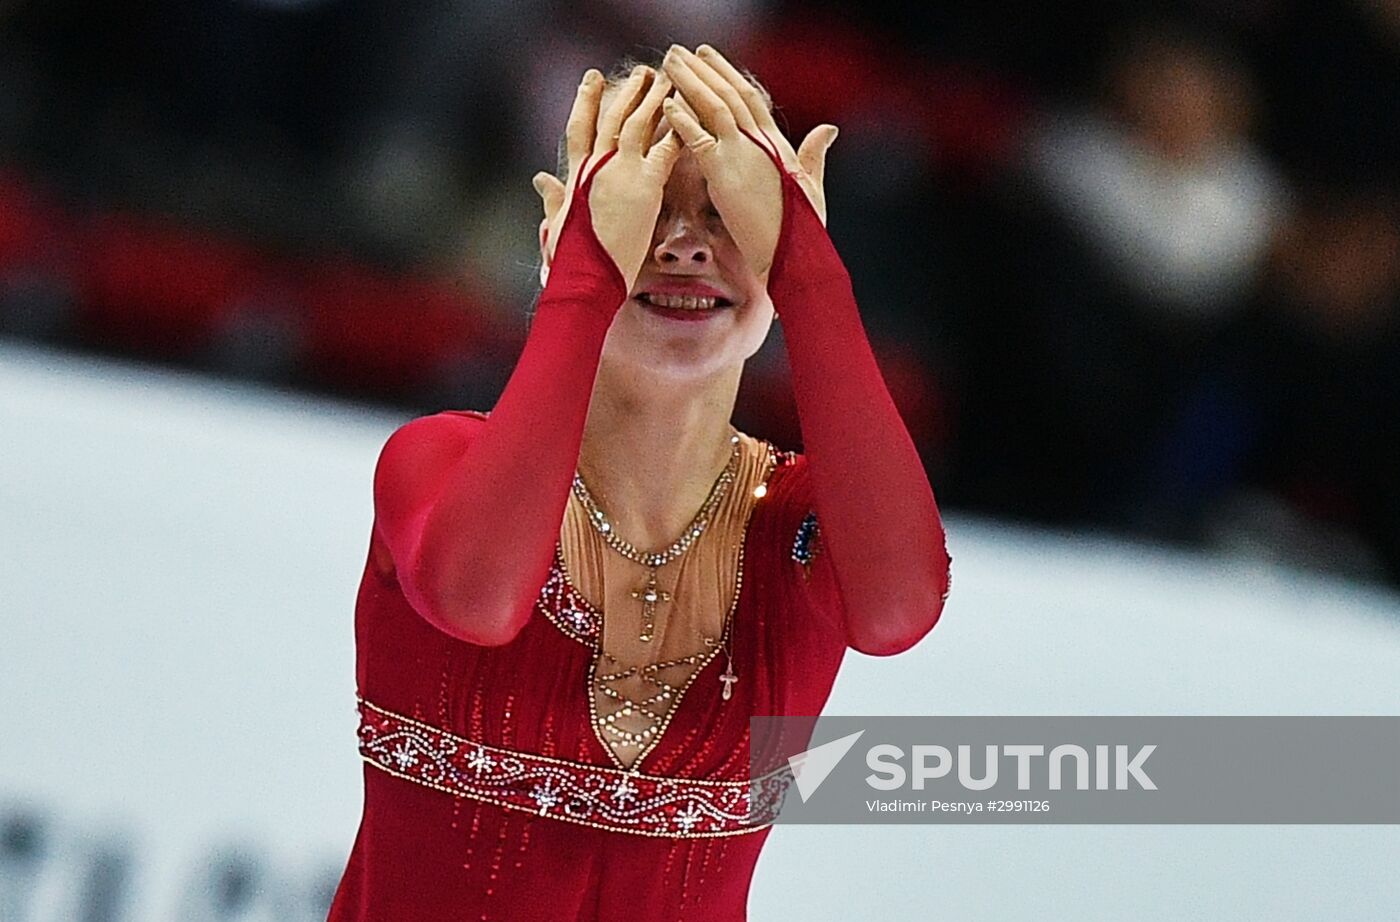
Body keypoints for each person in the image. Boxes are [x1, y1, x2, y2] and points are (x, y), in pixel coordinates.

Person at [327, 43, 952, 921]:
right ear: (560, 234)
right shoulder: (434, 464)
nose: (685, 246)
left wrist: (808, 269)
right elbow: (478, 597)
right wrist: (584, 271)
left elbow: (898, 612)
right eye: (645, 207)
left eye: (727, 212)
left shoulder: (805, 522)